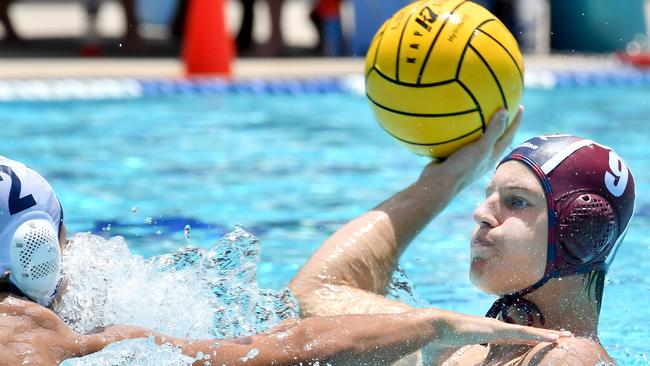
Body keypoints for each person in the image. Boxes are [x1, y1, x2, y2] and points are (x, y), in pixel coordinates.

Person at [0, 115, 570, 366]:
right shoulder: (44, 344)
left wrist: (444, 178)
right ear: (34, 250)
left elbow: (316, 296)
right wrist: (431, 325)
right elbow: (276, 351)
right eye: (62, 240)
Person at [290, 106, 635, 365]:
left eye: (516, 201)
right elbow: (316, 292)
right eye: (488, 196)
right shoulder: (455, 342)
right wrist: (444, 181)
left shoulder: (572, 358)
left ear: (582, 232)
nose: (481, 214)